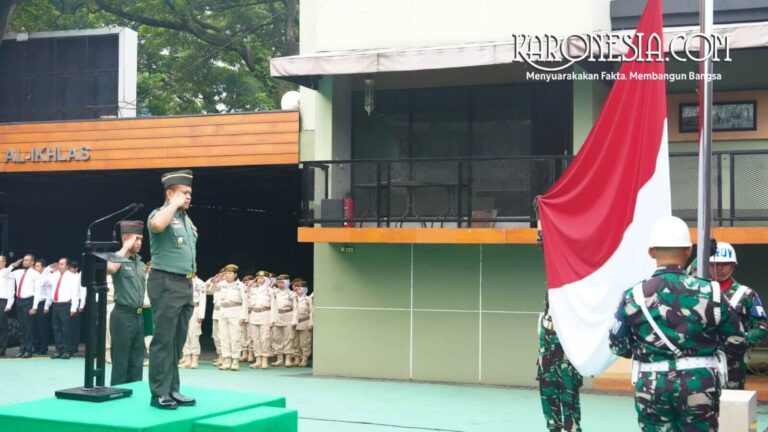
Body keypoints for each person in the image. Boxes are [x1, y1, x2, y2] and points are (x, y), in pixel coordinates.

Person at [609, 216, 748, 431]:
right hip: (699, 382)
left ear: (651, 252)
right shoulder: (711, 291)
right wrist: (710, 353)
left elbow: (617, 344)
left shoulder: (632, 296)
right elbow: (737, 341)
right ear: (687, 251)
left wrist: (650, 353)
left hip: (651, 382)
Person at [146, 169, 197, 410]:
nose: (188, 197)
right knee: (163, 340)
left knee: (177, 342)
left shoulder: (186, 219)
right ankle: (158, 393)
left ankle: (172, 389)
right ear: (170, 193)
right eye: (183, 193)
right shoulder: (161, 214)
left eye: (189, 193)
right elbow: (156, 226)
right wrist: (172, 205)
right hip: (166, 281)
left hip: (185, 283)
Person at [708, 242, 768, 389]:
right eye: (715, 264)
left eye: (725, 264)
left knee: (734, 405)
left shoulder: (746, 294)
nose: (719, 268)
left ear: (733, 265)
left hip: (733, 364)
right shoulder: (698, 291)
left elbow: (761, 327)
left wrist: (741, 341)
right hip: (704, 360)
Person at [107, 221, 148, 385]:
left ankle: (134, 394)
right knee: (121, 361)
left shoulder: (141, 263)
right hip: (122, 315)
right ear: (125, 238)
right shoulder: (117, 258)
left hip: (139, 316)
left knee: (137, 361)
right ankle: (117, 395)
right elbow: (110, 269)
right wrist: (125, 247)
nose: (138, 243)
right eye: (135, 239)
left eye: (141, 239)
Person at [537, 292, 582, 432]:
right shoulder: (543, 318)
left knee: (571, 416)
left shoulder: (573, 320)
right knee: (551, 414)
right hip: (547, 371)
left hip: (566, 370)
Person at [212, 264, 247, 371]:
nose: (227, 275)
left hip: (235, 312)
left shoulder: (240, 286)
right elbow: (211, 290)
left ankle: (235, 360)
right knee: (224, 337)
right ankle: (227, 360)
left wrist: (243, 316)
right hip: (223, 312)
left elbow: (245, 302)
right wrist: (214, 282)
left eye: (230, 273)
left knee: (235, 338)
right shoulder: (221, 284)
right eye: (226, 273)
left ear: (235, 274)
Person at [44, 258, 78, 359]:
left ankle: (67, 350)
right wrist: (49, 269)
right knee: (56, 328)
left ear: (67, 266)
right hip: (56, 305)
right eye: (59, 264)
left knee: (66, 329)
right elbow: (42, 282)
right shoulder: (54, 276)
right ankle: (59, 350)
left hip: (66, 305)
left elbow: (75, 293)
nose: (59, 266)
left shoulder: (72, 277)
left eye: (62, 264)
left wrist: (73, 308)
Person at [12, 254, 42, 358]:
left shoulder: (35, 274)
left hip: (29, 301)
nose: (24, 262)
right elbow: (5, 275)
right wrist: (13, 265)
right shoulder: (18, 272)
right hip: (19, 300)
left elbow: (38, 292)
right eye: (24, 260)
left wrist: (35, 307)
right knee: (21, 328)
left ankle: (29, 350)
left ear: (32, 262)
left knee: (28, 327)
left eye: (27, 260)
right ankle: (22, 349)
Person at [248, 270, 275, 370]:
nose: (259, 280)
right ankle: (258, 359)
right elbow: (245, 293)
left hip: (265, 315)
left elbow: (274, 307)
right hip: (255, 315)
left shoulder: (270, 291)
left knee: (265, 338)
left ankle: (264, 360)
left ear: (267, 279)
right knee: (255, 339)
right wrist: (250, 284)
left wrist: (273, 320)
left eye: (262, 278)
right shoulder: (254, 290)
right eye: (258, 278)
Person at [179, 274, 207, 369]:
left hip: (195, 308)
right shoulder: (183, 281)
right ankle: (187, 358)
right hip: (183, 309)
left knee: (194, 334)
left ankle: (194, 358)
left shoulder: (200, 283)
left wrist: (201, 314)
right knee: (184, 334)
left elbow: (203, 300)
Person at [271, 274, 297, 367]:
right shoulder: (273, 293)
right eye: (278, 282)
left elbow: (295, 309)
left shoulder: (292, 294)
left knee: (288, 338)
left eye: (282, 282)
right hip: (276, 316)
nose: (280, 284)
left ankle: (288, 359)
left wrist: (294, 320)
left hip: (287, 316)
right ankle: (279, 359)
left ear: (287, 283)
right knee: (276, 338)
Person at [291, 280, 313, 368]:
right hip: (294, 323)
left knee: (305, 342)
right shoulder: (293, 298)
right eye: (296, 288)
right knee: (295, 342)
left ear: (304, 289)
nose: (297, 290)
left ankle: (304, 359)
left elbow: (312, 312)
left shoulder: (308, 299)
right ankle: (297, 358)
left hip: (305, 322)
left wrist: (311, 323)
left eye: (300, 288)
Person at [32, 259, 52, 356]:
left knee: (42, 327)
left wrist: (47, 306)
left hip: (42, 303)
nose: (36, 268)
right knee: (34, 326)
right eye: (35, 266)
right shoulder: (33, 276)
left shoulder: (46, 277)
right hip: (33, 303)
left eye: (38, 266)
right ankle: (36, 346)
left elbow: (49, 293)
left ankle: (43, 347)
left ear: (43, 267)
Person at [0, 256, 17, 357]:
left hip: (3, 301)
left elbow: (12, 290)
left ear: (5, 262)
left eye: (0, 261)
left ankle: (2, 349)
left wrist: (9, 304)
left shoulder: (8, 273)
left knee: (2, 326)